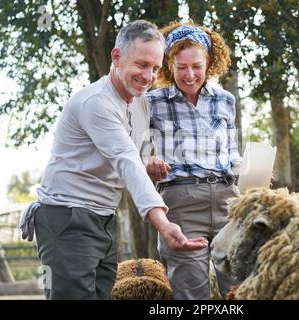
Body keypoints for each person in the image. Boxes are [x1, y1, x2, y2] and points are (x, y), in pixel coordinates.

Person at [19, 20, 208, 300]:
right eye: (141, 64)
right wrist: (164, 224)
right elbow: (126, 160)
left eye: (155, 68)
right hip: (67, 217)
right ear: (116, 57)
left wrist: (150, 165)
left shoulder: (140, 102)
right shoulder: (96, 103)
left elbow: (134, 157)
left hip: (104, 218)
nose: (148, 76)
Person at [146, 21, 242, 300]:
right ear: (168, 65)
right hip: (181, 201)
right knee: (191, 292)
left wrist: (248, 172)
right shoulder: (152, 102)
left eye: (196, 66)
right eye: (181, 67)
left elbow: (231, 152)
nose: (189, 75)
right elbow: (135, 149)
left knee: (238, 289)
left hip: (228, 199)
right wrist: (149, 160)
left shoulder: (225, 100)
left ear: (209, 63)